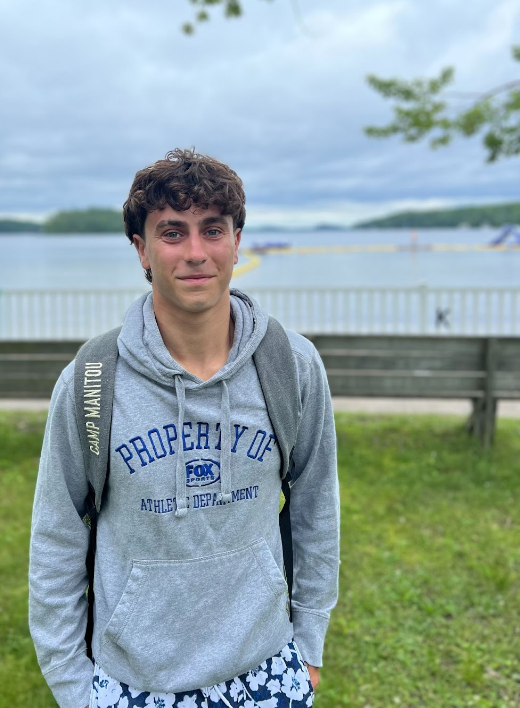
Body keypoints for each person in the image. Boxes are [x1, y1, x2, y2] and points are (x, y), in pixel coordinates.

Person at [29, 149, 340, 708]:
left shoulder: (290, 366)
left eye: (212, 229)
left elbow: (317, 508)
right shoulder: (92, 382)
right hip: (135, 682)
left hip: (267, 669)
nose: (196, 252)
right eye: (172, 233)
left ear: (237, 241)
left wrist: (308, 645)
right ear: (141, 250)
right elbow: (56, 537)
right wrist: (74, 687)